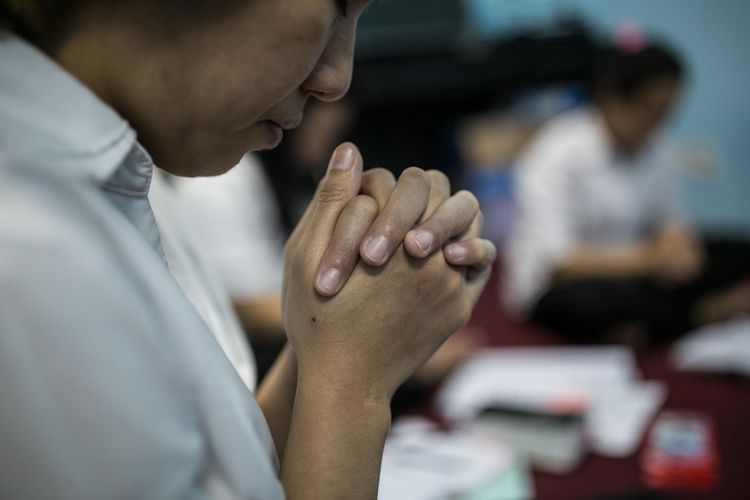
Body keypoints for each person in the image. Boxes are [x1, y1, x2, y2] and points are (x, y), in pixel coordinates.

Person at [0, 2, 497, 499]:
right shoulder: (28, 253)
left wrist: (337, 325)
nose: (336, 79)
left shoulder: (128, 170)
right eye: (337, 6)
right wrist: (355, 388)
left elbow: (232, 469)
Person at [505, 39, 750, 345]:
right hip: (567, 283)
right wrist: (650, 259)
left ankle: (652, 324)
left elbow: (673, 220)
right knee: (590, 304)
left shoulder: (656, 144)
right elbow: (562, 262)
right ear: (612, 100)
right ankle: (698, 315)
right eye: (651, 111)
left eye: (667, 112)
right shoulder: (557, 153)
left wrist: (680, 249)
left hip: (637, 273)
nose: (659, 124)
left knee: (738, 249)